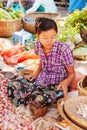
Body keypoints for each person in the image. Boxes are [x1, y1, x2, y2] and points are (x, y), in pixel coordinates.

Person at [24, 17, 75, 116]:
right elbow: (42, 61)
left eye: (53, 37)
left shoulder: (64, 49)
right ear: (38, 36)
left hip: (58, 84)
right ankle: (42, 101)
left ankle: (44, 103)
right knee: (14, 86)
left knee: (40, 99)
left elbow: (72, 73)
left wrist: (65, 83)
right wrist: (36, 74)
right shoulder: (38, 45)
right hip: (43, 79)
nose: (49, 41)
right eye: (45, 38)